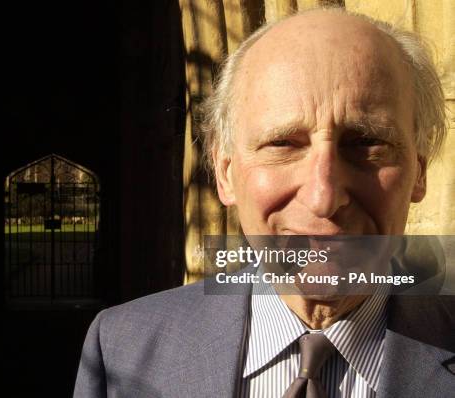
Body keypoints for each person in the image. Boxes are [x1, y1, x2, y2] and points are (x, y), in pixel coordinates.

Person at [74, 8, 455, 397]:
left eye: (367, 143)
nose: (323, 198)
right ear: (225, 173)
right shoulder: (123, 349)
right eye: (283, 144)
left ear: (419, 174)